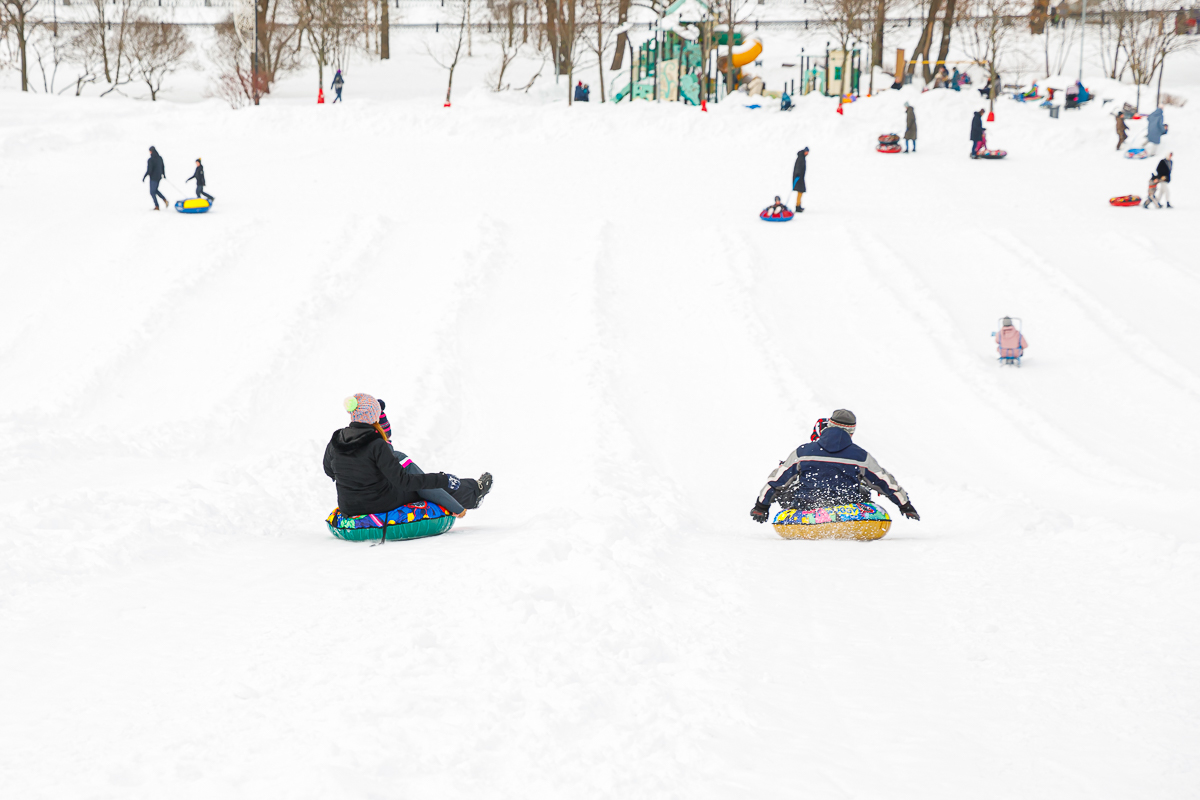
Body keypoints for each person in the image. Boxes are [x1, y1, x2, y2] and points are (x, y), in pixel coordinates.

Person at [322, 393, 479, 520]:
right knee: (420, 486)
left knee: (415, 476)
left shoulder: (336, 440)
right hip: (380, 504)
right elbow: (405, 482)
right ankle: (463, 502)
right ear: (374, 416)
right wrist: (443, 478)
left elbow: (329, 471)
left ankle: (470, 491)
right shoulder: (377, 444)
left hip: (348, 506)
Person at [749, 409, 919, 524]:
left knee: (788, 488)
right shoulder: (860, 456)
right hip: (846, 504)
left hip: (806, 504)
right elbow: (885, 482)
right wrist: (905, 505)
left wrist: (761, 507)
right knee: (864, 489)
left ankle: (807, 518)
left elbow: (776, 481)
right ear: (851, 432)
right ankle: (847, 518)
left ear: (828, 425)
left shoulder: (803, 452)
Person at [376, 398, 493, 514]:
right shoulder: (395, 458)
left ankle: (471, 491)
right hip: (386, 502)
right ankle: (472, 493)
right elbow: (423, 486)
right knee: (432, 485)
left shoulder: (360, 453)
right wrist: (458, 509)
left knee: (428, 483)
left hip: (365, 500)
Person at [142, 145, 168, 211]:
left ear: (151, 152)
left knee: (152, 192)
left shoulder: (150, 160)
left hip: (153, 178)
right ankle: (164, 200)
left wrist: (145, 176)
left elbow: (149, 170)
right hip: (159, 177)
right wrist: (163, 174)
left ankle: (157, 206)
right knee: (155, 190)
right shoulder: (160, 158)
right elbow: (163, 166)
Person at [792, 147, 808, 212]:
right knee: (800, 191)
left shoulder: (802, 157)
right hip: (798, 178)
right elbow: (798, 167)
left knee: (800, 192)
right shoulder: (801, 158)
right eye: (807, 152)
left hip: (800, 177)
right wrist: (798, 174)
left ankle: (798, 205)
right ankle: (797, 206)